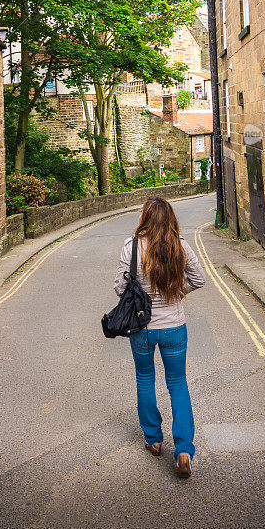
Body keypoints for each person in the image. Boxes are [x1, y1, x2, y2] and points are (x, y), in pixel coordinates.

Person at [114, 197, 206, 477]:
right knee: (177, 383)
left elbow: (120, 287)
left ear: (144, 218)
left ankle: (153, 440)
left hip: (141, 328)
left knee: (145, 379)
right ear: (169, 218)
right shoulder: (180, 244)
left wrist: (141, 297)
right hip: (174, 327)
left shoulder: (132, 247)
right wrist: (178, 293)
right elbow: (199, 278)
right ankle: (183, 450)